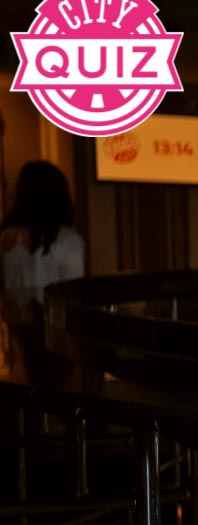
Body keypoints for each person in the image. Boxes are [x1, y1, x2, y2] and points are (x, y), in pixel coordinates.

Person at [1, 160, 85, 383]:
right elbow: (73, 291)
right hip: (55, 332)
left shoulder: (6, 238)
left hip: (16, 332)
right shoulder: (67, 240)